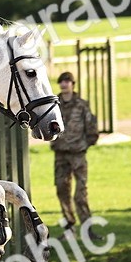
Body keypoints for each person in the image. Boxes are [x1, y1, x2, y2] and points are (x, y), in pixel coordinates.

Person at [51, 71, 99, 231]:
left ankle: (87, 228)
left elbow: (91, 126)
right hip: (61, 154)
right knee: (61, 190)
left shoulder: (82, 105)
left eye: (67, 81)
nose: (64, 84)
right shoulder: (54, 105)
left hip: (78, 154)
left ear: (73, 84)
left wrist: (86, 143)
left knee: (80, 193)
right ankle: (69, 226)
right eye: (61, 81)